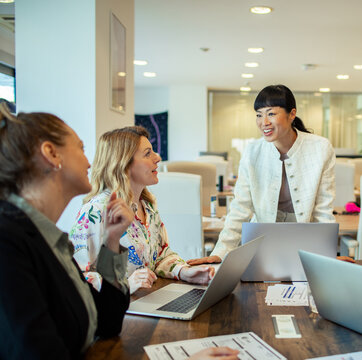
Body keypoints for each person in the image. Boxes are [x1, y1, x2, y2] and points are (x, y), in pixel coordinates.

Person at [0, 105, 132, 358]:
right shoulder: (8, 241)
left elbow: (106, 321)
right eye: (81, 148)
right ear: (51, 153)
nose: (89, 162)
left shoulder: (45, 238)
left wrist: (112, 240)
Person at [188, 84, 336, 265]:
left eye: (271, 113)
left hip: (305, 237)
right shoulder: (252, 152)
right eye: (259, 115)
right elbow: (240, 208)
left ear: (292, 114)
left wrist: (329, 255)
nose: (263, 122)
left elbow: (323, 210)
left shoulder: (320, 148)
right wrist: (221, 252)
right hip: (263, 238)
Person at [70, 126, 215, 294]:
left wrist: (184, 271)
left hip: (146, 302)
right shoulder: (94, 212)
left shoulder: (148, 206)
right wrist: (126, 284)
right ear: (123, 163)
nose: (158, 158)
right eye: (147, 153)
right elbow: (76, 278)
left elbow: (161, 255)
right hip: (115, 313)